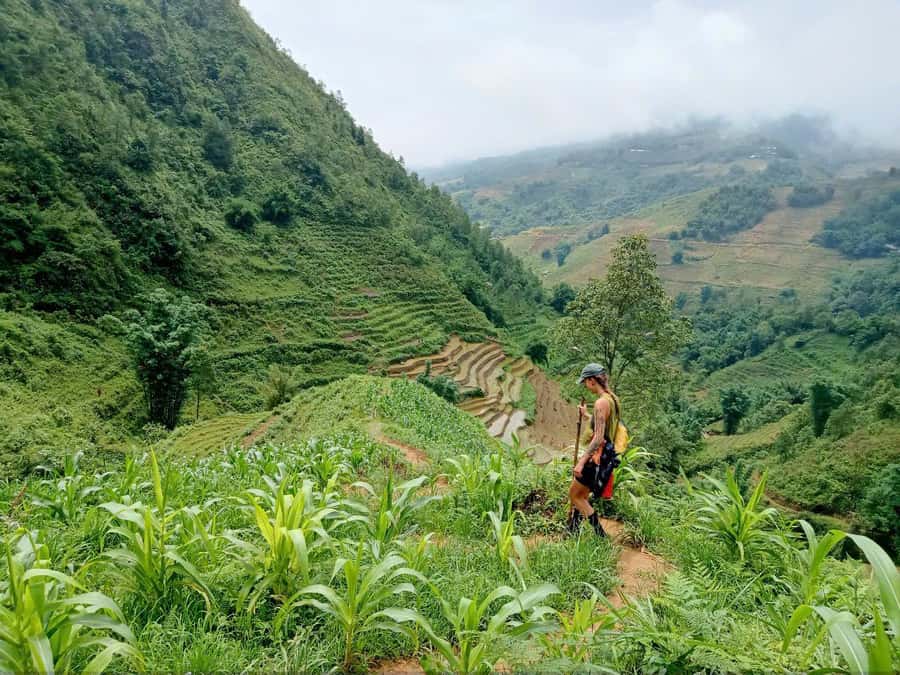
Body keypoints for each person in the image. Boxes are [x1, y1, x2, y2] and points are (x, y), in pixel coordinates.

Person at [567, 363, 620, 536]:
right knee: (582, 495)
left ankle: (601, 537)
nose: (584, 385)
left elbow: (598, 437)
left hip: (597, 457)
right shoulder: (611, 399)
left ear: (591, 380)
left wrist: (581, 463)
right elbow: (602, 424)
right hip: (606, 457)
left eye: (585, 381)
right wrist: (587, 415)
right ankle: (572, 531)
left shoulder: (600, 403)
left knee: (575, 495)